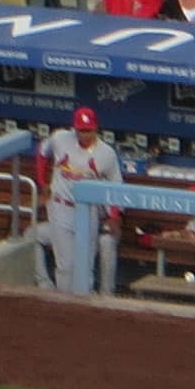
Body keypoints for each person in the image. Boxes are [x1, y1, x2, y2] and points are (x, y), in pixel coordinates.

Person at [38, 106, 120, 293]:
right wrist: (43, 183)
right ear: (74, 128)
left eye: (88, 130)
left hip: (88, 211)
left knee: (84, 265)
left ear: (96, 128)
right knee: (65, 266)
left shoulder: (106, 153)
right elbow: (43, 153)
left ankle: (84, 310)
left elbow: (115, 186)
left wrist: (114, 215)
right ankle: (65, 307)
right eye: (81, 130)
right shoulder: (60, 138)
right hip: (60, 207)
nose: (84, 134)